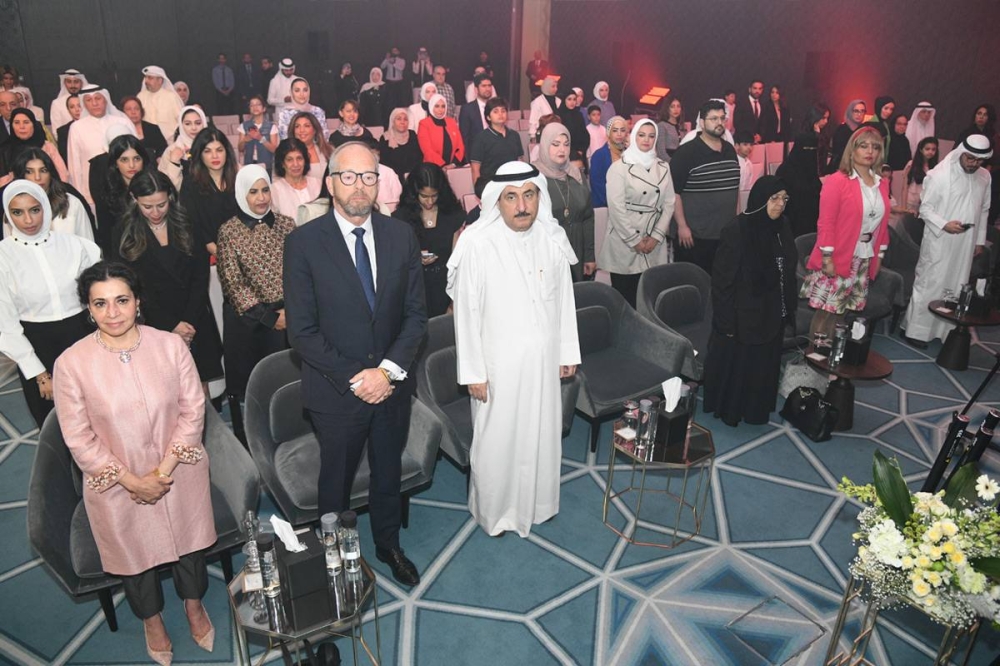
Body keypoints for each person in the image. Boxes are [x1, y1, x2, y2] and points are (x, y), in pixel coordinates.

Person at [53, 261, 215, 666]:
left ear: (138, 302)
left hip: (178, 469)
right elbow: (78, 437)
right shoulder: (71, 364)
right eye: (100, 304)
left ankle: (194, 605)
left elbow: (193, 410)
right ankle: (152, 620)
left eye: (122, 300)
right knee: (134, 555)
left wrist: (161, 473)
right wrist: (131, 481)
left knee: (190, 546)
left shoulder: (170, 346)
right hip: (116, 483)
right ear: (88, 309)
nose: (113, 313)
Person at [283, 141, 428, 586]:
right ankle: (333, 557)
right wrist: (357, 377)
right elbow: (301, 332)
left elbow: (415, 316)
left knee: (388, 470)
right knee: (336, 481)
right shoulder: (303, 243)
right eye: (348, 176)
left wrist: (386, 373)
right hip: (336, 391)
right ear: (330, 184)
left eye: (368, 176)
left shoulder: (401, 235)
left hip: (391, 387)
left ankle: (388, 543)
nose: (359, 186)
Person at [447, 160, 580, 537]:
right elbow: (465, 314)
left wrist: (567, 351)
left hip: (543, 362)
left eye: (529, 195)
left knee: (541, 433)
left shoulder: (551, 237)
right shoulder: (477, 243)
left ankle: (538, 505)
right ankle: (495, 512)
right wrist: (473, 373)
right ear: (496, 201)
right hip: (497, 368)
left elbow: (565, 299)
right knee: (497, 441)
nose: (522, 206)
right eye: (511, 197)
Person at [0, 180, 100, 428]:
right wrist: (38, 373)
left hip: (82, 336)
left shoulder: (75, 245)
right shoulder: (4, 256)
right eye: (17, 212)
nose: (28, 220)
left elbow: (98, 295)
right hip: (36, 345)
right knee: (54, 423)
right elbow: (6, 323)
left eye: (34, 209)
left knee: (97, 411)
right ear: (8, 215)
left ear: (45, 206)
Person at [110, 171, 223, 385]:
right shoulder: (123, 233)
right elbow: (129, 286)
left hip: (194, 318)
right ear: (134, 199)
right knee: (164, 387)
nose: (155, 212)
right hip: (153, 321)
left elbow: (200, 277)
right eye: (147, 206)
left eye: (161, 205)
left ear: (170, 196)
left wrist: (188, 322)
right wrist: (171, 324)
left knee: (200, 384)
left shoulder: (186, 223)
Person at [703, 176, 797, 426]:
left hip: (772, 311)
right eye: (774, 198)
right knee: (741, 366)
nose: (780, 204)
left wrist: (787, 307)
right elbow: (722, 282)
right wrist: (726, 322)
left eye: (784, 199)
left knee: (764, 366)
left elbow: (787, 268)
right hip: (743, 314)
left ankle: (756, 411)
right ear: (760, 199)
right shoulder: (737, 230)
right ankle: (732, 412)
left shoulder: (782, 227)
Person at [800, 126, 891, 340]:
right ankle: (816, 355)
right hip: (838, 255)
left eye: (875, 147)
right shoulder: (838, 180)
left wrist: (879, 255)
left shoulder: (882, 183)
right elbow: (826, 222)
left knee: (843, 311)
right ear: (852, 150)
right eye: (863, 146)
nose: (870, 151)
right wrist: (827, 257)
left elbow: (883, 224)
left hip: (864, 255)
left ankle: (833, 353)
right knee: (826, 311)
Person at [901, 135, 993, 346]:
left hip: (966, 242)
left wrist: (979, 241)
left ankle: (943, 331)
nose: (974, 164)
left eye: (979, 160)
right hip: (939, 239)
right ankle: (916, 331)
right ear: (961, 153)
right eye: (970, 158)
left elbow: (984, 210)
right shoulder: (939, 175)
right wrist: (944, 224)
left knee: (956, 284)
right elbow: (925, 209)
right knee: (930, 283)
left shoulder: (984, 176)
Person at [217, 164, 294, 410]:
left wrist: (291, 311)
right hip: (250, 324)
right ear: (242, 193)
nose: (261, 198)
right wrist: (269, 318)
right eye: (253, 192)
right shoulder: (228, 231)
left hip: (288, 316)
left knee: (289, 386)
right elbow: (232, 283)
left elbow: (299, 270)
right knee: (255, 392)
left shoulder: (287, 224)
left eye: (265, 190)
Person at [598, 119, 674, 306]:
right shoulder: (619, 168)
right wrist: (635, 241)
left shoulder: (664, 167)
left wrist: (656, 236)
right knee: (626, 301)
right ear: (633, 137)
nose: (646, 140)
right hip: (626, 242)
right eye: (641, 135)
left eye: (651, 136)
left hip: (653, 241)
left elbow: (669, 203)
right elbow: (616, 209)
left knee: (650, 300)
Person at [670, 99, 742, 275]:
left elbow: (735, 189)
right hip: (694, 237)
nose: (719, 122)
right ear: (702, 123)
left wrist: (737, 222)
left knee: (723, 283)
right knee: (695, 284)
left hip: (725, 236)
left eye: (722, 118)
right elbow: (673, 193)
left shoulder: (730, 150)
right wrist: (682, 226)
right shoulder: (686, 153)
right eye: (713, 119)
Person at [393, 163, 465, 316]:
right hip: (415, 286)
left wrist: (453, 303)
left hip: (446, 285)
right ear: (414, 193)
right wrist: (414, 258)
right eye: (424, 196)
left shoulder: (452, 215)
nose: (430, 202)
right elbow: (396, 259)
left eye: (434, 196)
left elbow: (459, 261)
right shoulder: (402, 217)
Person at [534, 123, 596, 282]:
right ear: (545, 145)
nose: (562, 149)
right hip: (548, 252)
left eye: (566, 144)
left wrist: (589, 256)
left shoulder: (576, 174)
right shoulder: (534, 178)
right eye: (555, 144)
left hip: (577, 248)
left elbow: (588, 217)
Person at [67, 85, 134, 206]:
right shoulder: (76, 128)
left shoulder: (122, 122)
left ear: (105, 100)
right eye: (88, 100)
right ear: (84, 104)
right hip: (92, 192)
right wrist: (80, 195)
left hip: (125, 187)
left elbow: (137, 154)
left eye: (98, 98)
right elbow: (75, 165)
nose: (94, 103)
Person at [10, 148, 95, 242]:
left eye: (43, 170)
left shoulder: (71, 203)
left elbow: (88, 244)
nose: (37, 177)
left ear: (50, 173)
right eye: (29, 172)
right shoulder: (12, 207)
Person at [179, 127, 239, 256]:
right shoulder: (191, 184)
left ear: (227, 152)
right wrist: (217, 252)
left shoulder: (238, 180)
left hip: (238, 249)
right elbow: (191, 223)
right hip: (204, 253)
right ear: (200, 154)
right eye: (207, 151)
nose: (215, 156)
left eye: (219, 150)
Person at [94, 135, 150, 254]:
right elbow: (106, 234)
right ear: (115, 163)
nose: (132, 165)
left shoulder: (153, 186)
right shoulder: (108, 193)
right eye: (124, 160)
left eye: (137, 159)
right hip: (122, 253)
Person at [0, 108, 69, 182]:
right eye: (17, 123)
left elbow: (63, 176)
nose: (22, 127)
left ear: (33, 124)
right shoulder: (5, 150)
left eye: (26, 122)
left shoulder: (47, 147)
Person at [776, 132, 823, 237]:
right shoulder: (785, 171)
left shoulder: (812, 170)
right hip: (792, 226)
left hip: (814, 227)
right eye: (807, 149)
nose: (809, 153)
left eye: (813, 150)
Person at [468, 97, 523, 184]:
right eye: (496, 111)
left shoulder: (515, 135)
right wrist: (479, 188)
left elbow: (520, 161)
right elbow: (475, 169)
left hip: (513, 183)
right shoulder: (480, 138)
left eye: (503, 111)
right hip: (491, 184)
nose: (500, 114)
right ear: (488, 117)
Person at [269, 138, 322, 221]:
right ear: (282, 163)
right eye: (289, 160)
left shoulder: (318, 184)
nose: (296, 164)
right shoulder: (274, 191)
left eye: (299, 158)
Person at [159, 105, 208, 191]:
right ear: (181, 125)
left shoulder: (212, 147)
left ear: (204, 123)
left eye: (198, 123)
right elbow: (164, 184)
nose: (193, 128)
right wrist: (174, 163)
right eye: (188, 124)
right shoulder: (172, 150)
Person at [589, 115, 628, 208]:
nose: (619, 134)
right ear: (608, 133)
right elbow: (597, 186)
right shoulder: (599, 155)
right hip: (605, 205)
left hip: (628, 205)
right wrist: (616, 204)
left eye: (622, 130)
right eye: (615, 130)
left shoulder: (629, 153)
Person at [136, 66, 184, 140]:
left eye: (150, 78)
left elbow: (181, 119)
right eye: (145, 78)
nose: (146, 81)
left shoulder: (171, 97)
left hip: (169, 141)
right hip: (147, 140)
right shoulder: (140, 96)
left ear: (160, 80)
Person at [418, 94, 464, 168]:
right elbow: (427, 150)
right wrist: (442, 165)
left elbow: (460, 146)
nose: (440, 109)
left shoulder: (451, 122)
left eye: (443, 106)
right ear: (431, 107)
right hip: (433, 167)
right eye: (437, 106)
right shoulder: (424, 124)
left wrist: (453, 164)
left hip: (452, 167)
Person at [378, 108, 422, 183]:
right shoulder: (385, 138)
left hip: (412, 177)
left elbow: (419, 157)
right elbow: (384, 163)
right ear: (392, 121)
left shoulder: (413, 135)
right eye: (399, 119)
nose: (402, 122)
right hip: (392, 179)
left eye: (405, 119)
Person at [237, 95, 279, 172]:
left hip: (266, 165)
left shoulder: (271, 126)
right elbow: (240, 149)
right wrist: (245, 140)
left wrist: (260, 138)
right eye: (252, 105)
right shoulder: (243, 126)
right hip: (249, 164)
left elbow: (274, 149)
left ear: (264, 108)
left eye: (258, 104)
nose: (255, 107)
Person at [120, 96, 167, 164]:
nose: (133, 112)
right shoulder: (121, 131)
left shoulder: (153, 128)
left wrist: (159, 158)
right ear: (122, 113)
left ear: (141, 111)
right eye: (129, 109)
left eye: (137, 109)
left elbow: (163, 148)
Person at [901, 137, 939, 217]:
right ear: (921, 150)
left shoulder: (936, 167)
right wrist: (904, 208)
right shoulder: (911, 164)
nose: (930, 152)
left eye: (933, 149)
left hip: (925, 204)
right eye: (927, 149)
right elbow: (904, 187)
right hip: (910, 202)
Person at [290, 111, 335, 177]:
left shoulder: (329, 150)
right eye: (297, 126)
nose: (301, 130)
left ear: (315, 130)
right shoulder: (285, 153)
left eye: (307, 126)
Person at [827, 99, 866, 175]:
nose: (859, 114)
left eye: (862, 111)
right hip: (840, 169)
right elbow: (838, 153)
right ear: (850, 112)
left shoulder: (864, 130)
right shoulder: (841, 130)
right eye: (856, 111)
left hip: (858, 170)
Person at [459, 73, 493, 150]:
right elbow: (464, 138)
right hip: (476, 152)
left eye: (489, 86)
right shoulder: (467, 109)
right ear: (476, 89)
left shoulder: (495, 108)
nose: (487, 89)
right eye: (484, 86)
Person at [557, 89, 589, 169]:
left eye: (574, 99)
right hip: (563, 152)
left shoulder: (579, 115)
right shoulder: (558, 116)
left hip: (579, 153)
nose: (572, 102)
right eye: (569, 99)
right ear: (564, 100)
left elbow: (585, 135)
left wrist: (581, 150)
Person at [733, 79, 765, 144]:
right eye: (755, 88)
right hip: (743, 141)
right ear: (750, 89)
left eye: (760, 89)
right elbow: (737, 123)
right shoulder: (741, 102)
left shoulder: (763, 104)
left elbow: (763, 123)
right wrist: (750, 136)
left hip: (758, 142)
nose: (757, 91)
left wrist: (760, 135)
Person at [655, 96, 686, 161]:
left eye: (678, 106)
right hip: (667, 161)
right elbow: (661, 152)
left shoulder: (682, 126)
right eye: (672, 106)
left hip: (681, 160)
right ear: (667, 108)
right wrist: (672, 163)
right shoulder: (662, 125)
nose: (676, 109)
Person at [380, 47, 408, 113]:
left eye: (395, 50)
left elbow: (401, 68)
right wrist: (386, 59)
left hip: (399, 83)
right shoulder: (388, 59)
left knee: (399, 100)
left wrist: (394, 63)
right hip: (389, 82)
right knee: (390, 101)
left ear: (398, 52)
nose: (394, 52)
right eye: (393, 51)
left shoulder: (402, 60)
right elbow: (382, 66)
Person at [57, 94, 83, 162]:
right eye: (72, 107)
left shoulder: (94, 125)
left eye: (79, 105)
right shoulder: (63, 131)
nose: (77, 109)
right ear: (68, 110)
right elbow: (65, 158)